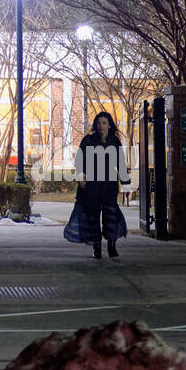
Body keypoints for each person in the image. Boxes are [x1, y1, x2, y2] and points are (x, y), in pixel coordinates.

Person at [63, 111, 128, 259]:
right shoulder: (88, 140)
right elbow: (79, 160)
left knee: (110, 216)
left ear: (109, 125)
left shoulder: (114, 141)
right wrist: (81, 175)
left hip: (109, 185)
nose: (101, 126)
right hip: (91, 186)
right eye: (98, 123)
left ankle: (112, 246)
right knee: (92, 217)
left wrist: (126, 183)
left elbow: (121, 163)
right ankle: (96, 248)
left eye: (104, 123)